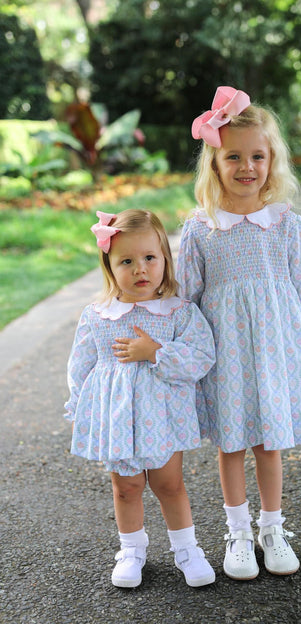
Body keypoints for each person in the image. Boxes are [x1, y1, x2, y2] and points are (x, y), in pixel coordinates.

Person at [177, 86, 301, 581]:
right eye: (233, 157)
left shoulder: (286, 224)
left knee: (270, 443)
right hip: (225, 355)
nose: (247, 167)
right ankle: (238, 531)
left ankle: (272, 527)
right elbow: (188, 302)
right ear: (214, 165)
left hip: (277, 352)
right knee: (232, 443)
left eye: (257, 156)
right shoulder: (201, 230)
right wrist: (188, 360)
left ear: (272, 161)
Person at [64, 209, 216, 589]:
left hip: (164, 417)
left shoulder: (178, 312)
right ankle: (131, 549)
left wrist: (155, 353)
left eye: (150, 258)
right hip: (118, 419)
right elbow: (81, 364)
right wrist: (79, 405)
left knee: (169, 484)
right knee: (126, 486)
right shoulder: (98, 316)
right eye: (126, 261)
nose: (140, 269)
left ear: (165, 258)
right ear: (109, 266)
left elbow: (201, 357)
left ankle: (187, 549)